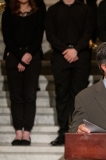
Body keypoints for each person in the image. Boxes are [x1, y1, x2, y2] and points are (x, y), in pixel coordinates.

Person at [45, 0, 94, 145]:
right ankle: (63, 132)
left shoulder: (85, 9)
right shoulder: (53, 10)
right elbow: (50, 34)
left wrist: (76, 49)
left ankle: (77, 132)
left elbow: (88, 32)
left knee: (79, 96)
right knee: (62, 95)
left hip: (81, 56)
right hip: (60, 56)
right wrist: (65, 50)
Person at [1, 0, 45, 146]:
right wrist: (21, 57)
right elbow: (7, 38)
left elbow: (38, 38)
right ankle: (18, 132)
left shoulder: (38, 12)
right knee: (16, 97)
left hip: (33, 56)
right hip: (14, 56)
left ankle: (27, 133)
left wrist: (27, 56)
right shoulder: (8, 12)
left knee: (30, 96)